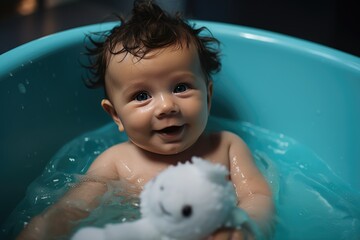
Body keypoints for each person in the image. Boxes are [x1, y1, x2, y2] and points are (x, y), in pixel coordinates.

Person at [18, 1, 274, 239]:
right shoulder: (115, 162)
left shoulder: (227, 147)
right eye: (142, 95)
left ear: (207, 96)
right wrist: (46, 227)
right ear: (116, 115)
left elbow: (257, 196)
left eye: (181, 87)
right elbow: (75, 208)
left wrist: (245, 226)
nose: (166, 106)